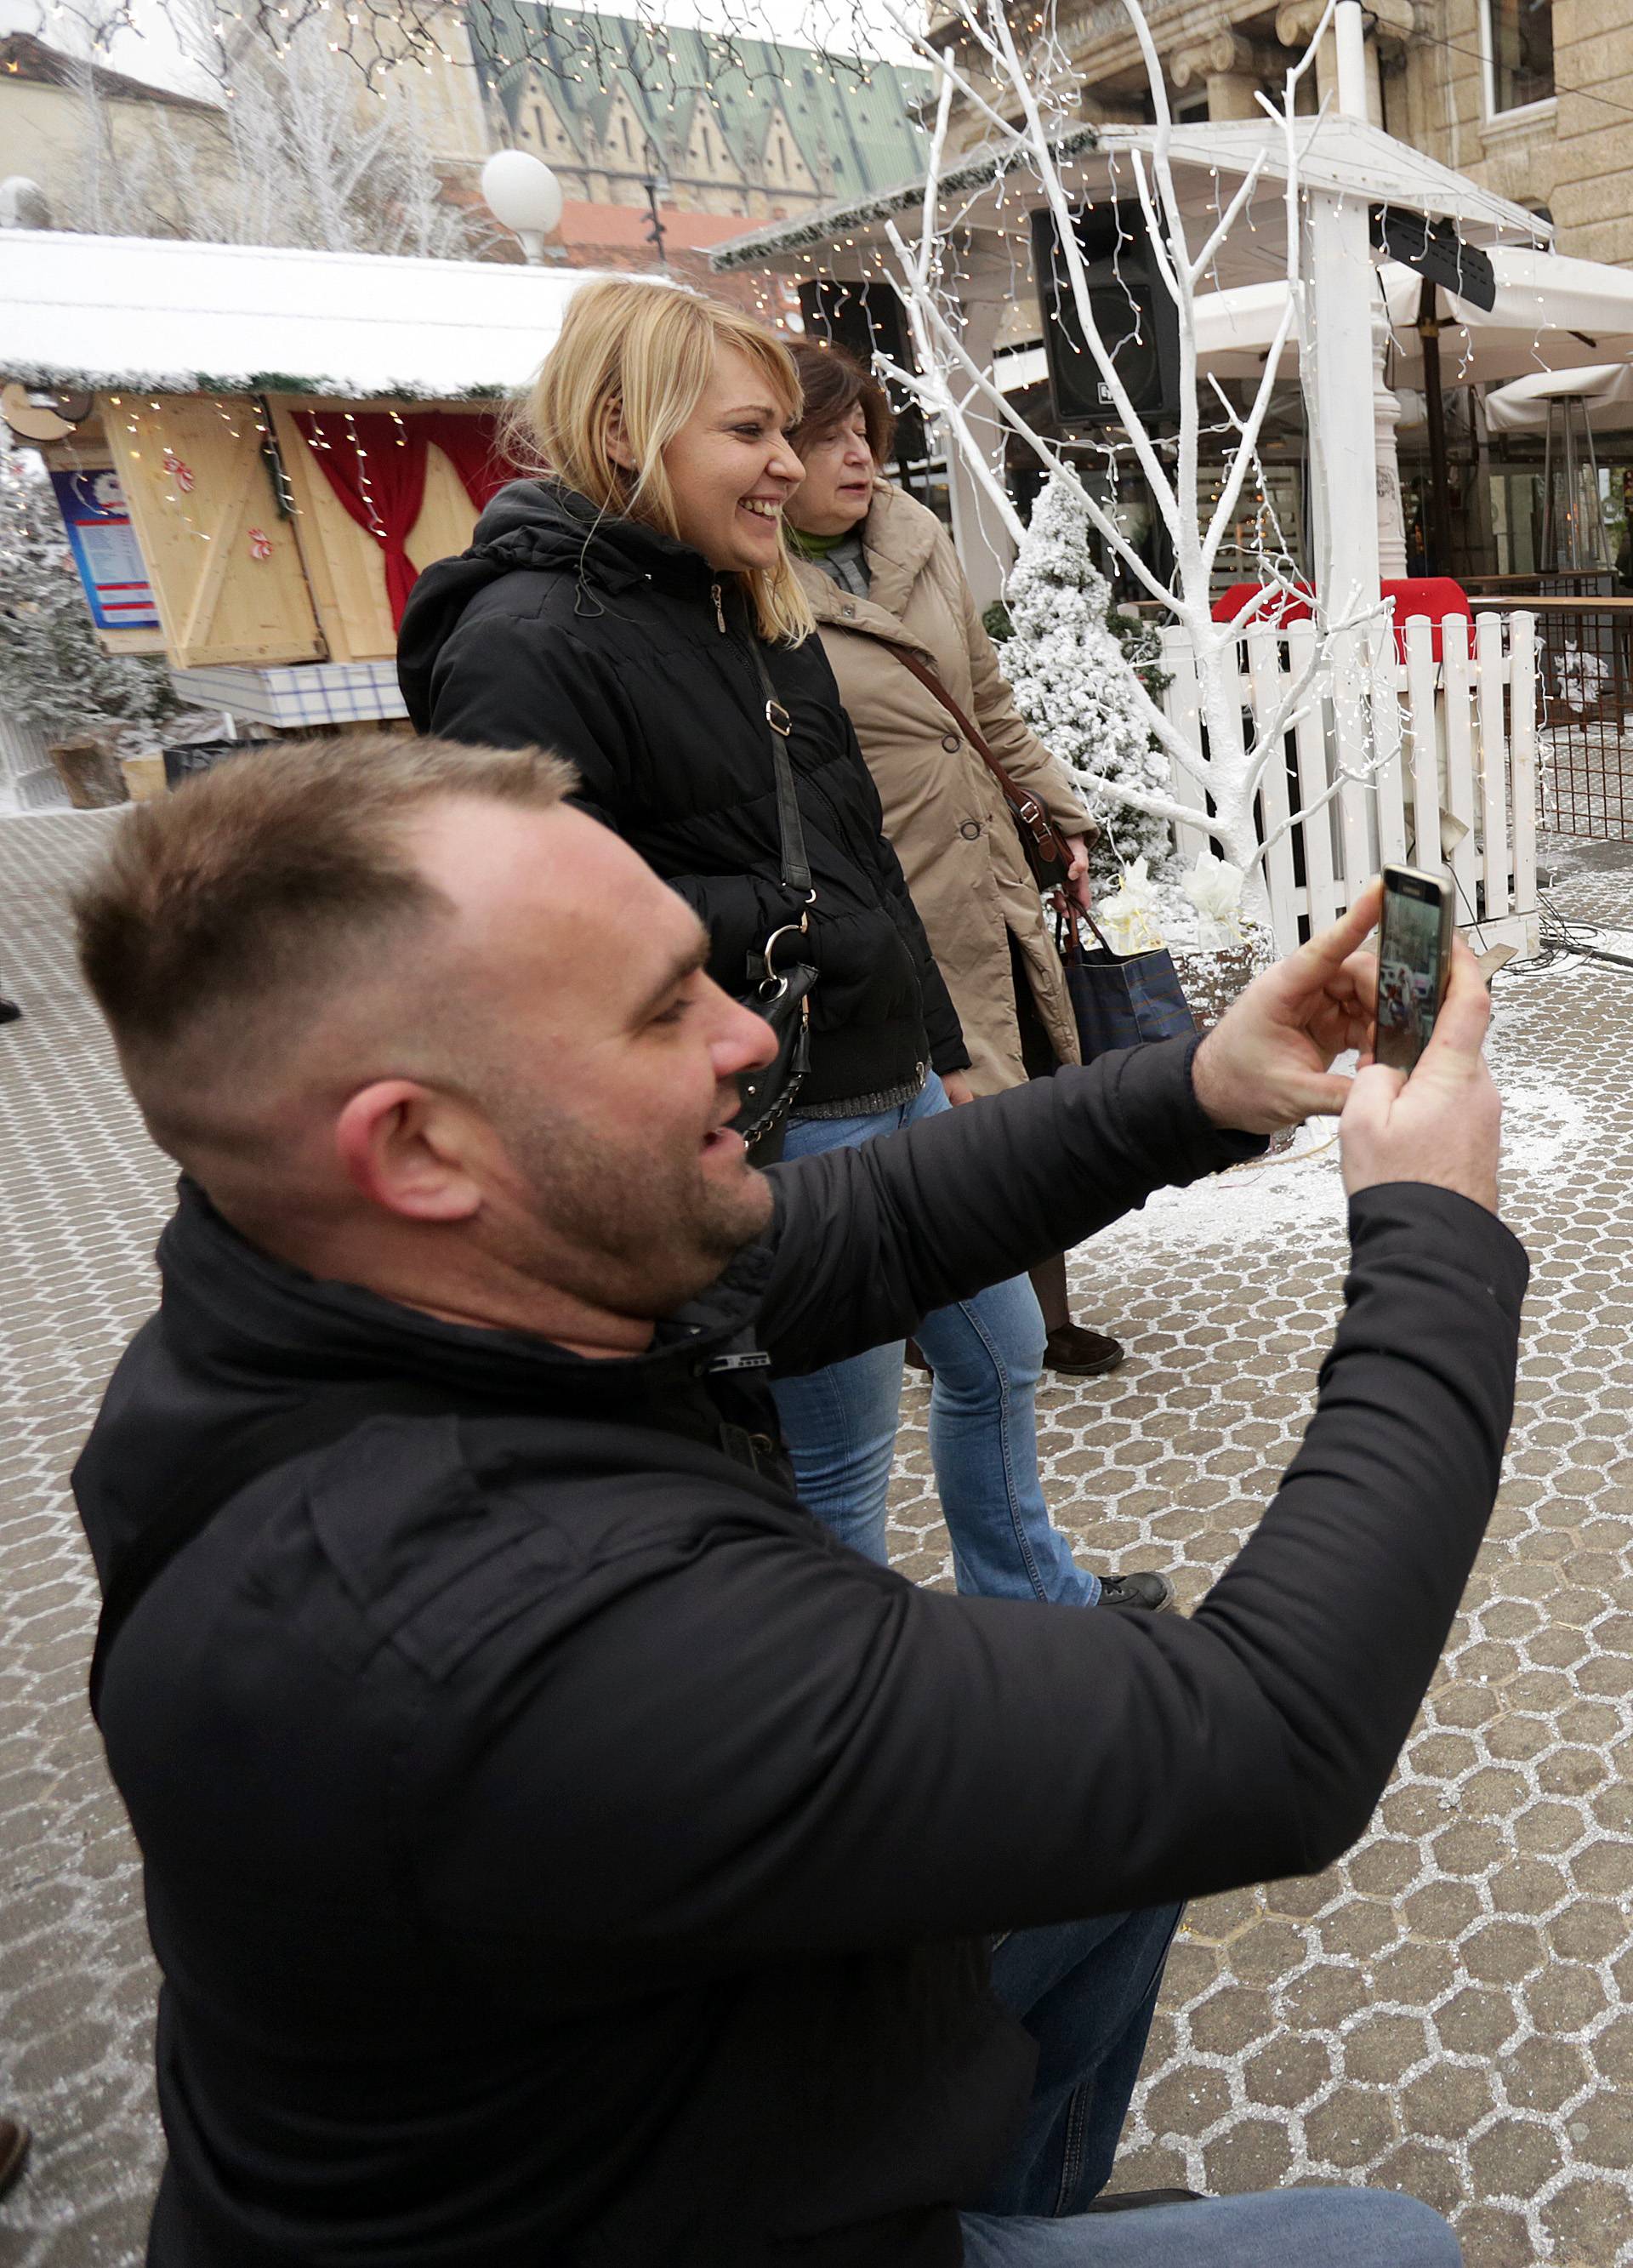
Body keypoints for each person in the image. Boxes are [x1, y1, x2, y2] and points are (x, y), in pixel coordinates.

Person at [71, 732, 1519, 2268]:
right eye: (659, 1013)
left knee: (1112, 1851)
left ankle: (990, 2201)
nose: (751, 1040)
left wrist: (1200, 1089)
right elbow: (1272, 1740)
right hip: (652, 2219)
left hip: (683, 2074)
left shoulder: (356, 1269)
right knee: (1383, 2244)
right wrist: (1434, 1238)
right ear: (419, 1142)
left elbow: (855, 1227)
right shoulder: (486, 1632)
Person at [396, 277, 1164, 1613]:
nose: (789, 465)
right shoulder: (526, 641)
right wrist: (771, 925)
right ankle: (851, 1724)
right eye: (752, 433)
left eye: (789, 435)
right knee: (840, 1455)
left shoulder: (748, 596)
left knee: (999, 1353)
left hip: (891, 1073)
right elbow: (522, 950)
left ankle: (1029, 1600)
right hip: (767, 1113)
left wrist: (945, 1050)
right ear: (628, 428)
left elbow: (858, 856)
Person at [782, 340, 1119, 1379]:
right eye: (825, 437)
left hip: (992, 880)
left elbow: (987, 707)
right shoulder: (753, 583)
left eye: (864, 434)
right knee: (944, 1123)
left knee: (1026, 1100)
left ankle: (1044, 1317)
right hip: (893, 900)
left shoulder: (919, 540)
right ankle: (950, 1320)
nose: (857, 457)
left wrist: (1063, 820)